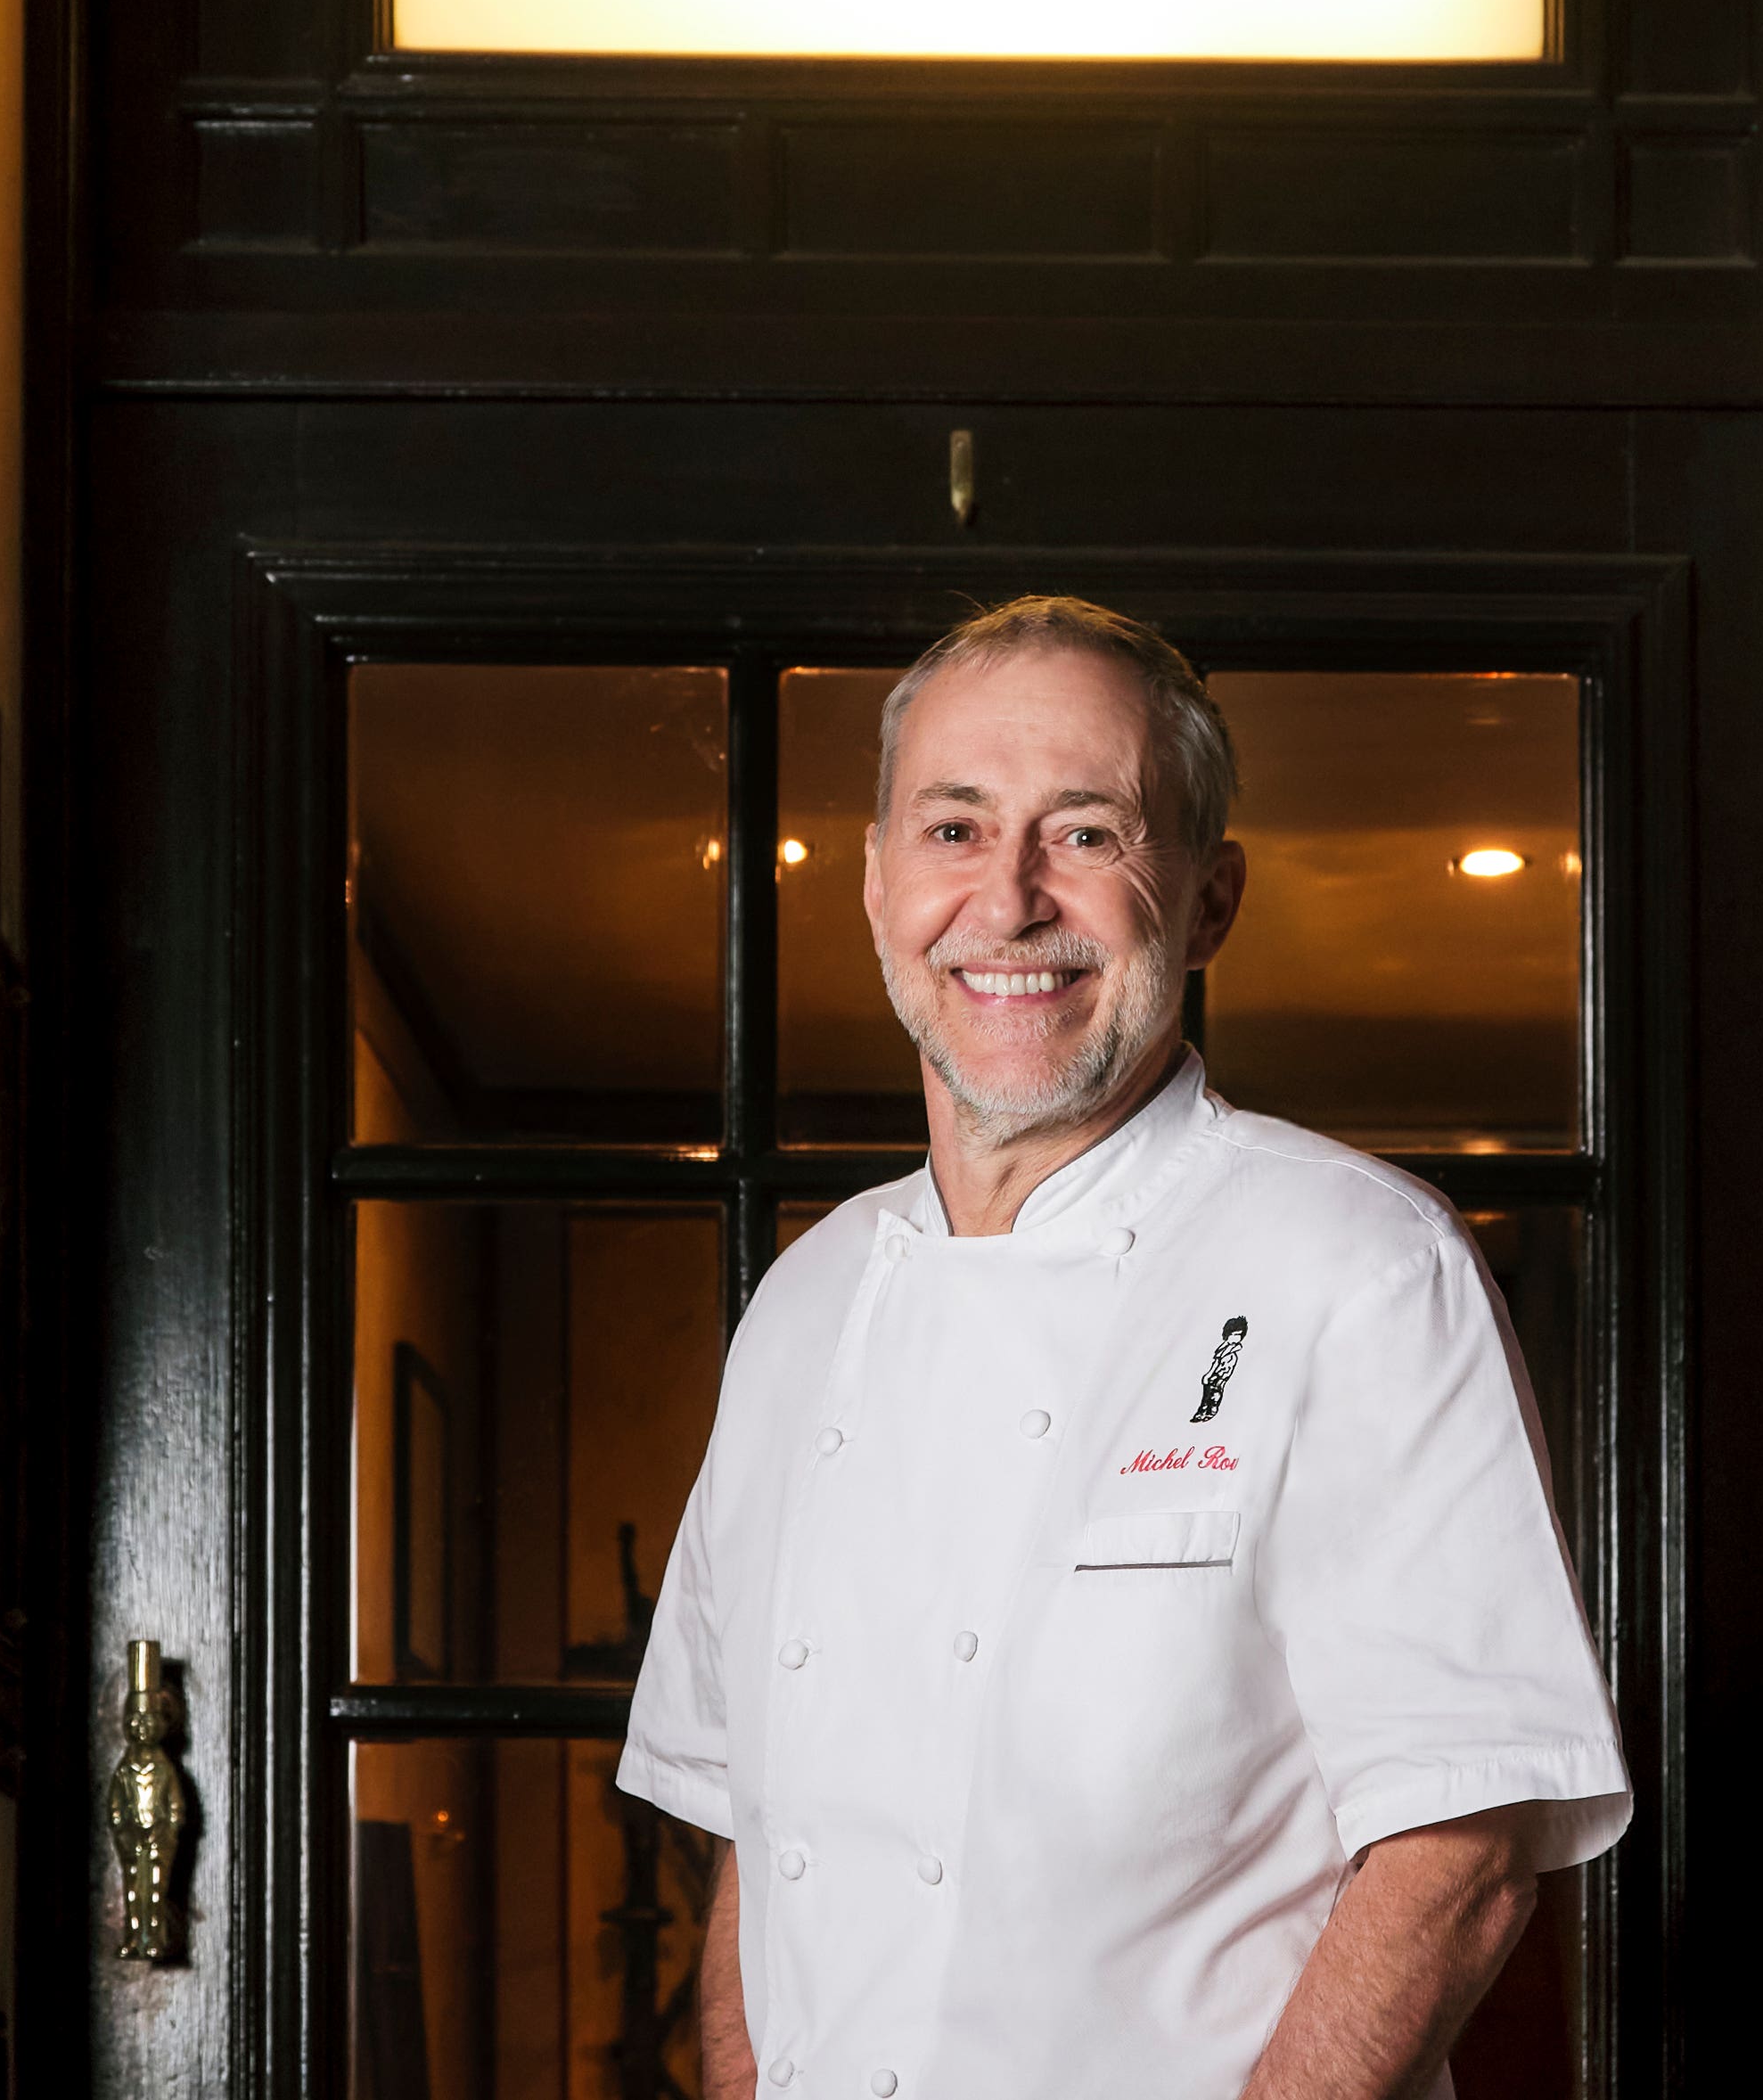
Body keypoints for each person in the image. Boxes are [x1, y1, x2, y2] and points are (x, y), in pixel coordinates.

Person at [617, 596, 1627, 2100]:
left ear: (1210, 899)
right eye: (954, 829)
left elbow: (1458, 1851)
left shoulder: (1355, 1262)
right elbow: (759, 1833)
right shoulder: (803, 1305)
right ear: (878, 878)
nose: (1010, 899)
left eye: (1085, 833)